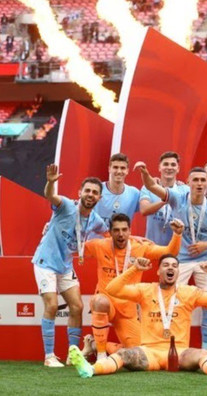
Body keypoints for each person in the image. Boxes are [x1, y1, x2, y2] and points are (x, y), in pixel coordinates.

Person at [67, 255, 207, 378]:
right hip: (149, 352)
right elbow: (112, 289)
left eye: (174, 266)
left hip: (179, 353)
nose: (170, 268)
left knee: (202, 353)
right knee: (123, 353)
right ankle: (89, 370)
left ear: (178, 272)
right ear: (158, 271)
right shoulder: (146, 290)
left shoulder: (189, 292)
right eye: (165, 265)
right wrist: (133, 269)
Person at [137, 163, 207, 352]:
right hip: (181, 259)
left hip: (206, 260)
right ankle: (168, 346)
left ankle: (205, 350)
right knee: (169, 301)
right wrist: (145, 173)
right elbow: (152, 187)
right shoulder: (178, 198)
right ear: (187, 183)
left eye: (203, 180)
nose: (200, 183)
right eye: (195, 180)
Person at [33, 165, 107, 367]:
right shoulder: (66, 206)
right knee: (52, 305)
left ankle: (73, 355)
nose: (90, 195)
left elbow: (109, 233)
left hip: (65, 266)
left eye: (95, 192)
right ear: (80, 193)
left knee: (77, 306)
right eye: (87, 191)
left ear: (99, 198)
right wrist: (50, 182)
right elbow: (51, 196)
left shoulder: (95, 220)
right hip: (45, 262)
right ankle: (49, 357)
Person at [81, 214, 182, 360]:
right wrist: (52, 232)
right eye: (116, 230)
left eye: (124, 230)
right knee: (99, 302)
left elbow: (170, 252)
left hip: (128, 308)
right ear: (109, 232)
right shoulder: (99, 245)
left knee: (138, 353)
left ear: (130, 231)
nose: (121, 234)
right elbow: (74, 248)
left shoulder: (140, 247)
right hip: (106, 301)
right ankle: (101, 355)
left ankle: (95, 345)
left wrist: (177, 234)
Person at [139, 151, 189, 246]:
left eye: (173, 165)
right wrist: (166, 199)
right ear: (159, 167)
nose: (169, 167)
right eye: (165, 164)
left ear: (178, 169)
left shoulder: (185, 190)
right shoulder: (147, 188)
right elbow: (144, 210)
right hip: (152, 247)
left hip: (177, 249)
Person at [93, 153, 139, 235]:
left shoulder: (134, 193)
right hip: (96, 244)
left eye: (122, 168)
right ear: (109, 169)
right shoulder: (96, 189)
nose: (119, 171)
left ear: (127, 171)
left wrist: (152, 186)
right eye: (115, 167)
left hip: (120, 245)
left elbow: (148, 209)